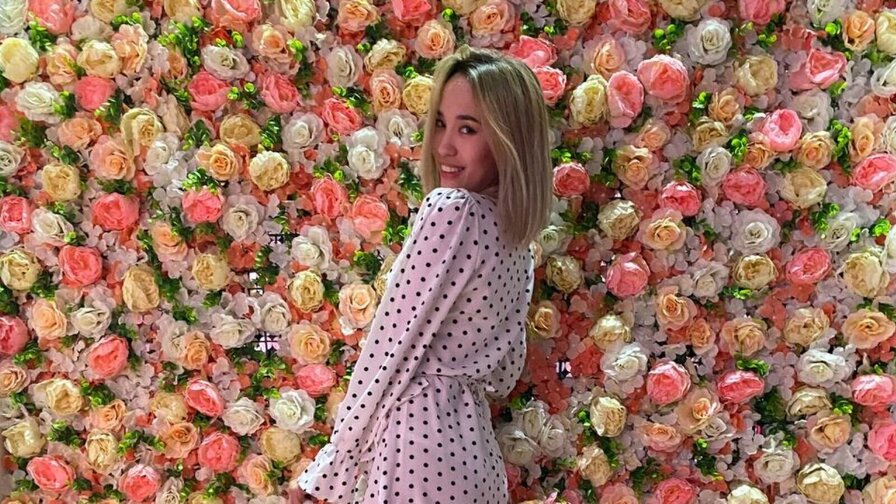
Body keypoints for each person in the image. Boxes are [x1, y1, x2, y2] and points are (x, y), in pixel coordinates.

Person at [296, 44, 552, 504]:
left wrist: (331, 469)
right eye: (440, 124)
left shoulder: (453, 211)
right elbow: (503, 376)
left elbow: (389, 348)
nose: (444, 146)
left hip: (417, 449)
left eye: (468, 128)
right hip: (476, 459)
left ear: (508, 138)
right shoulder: (518, 244)